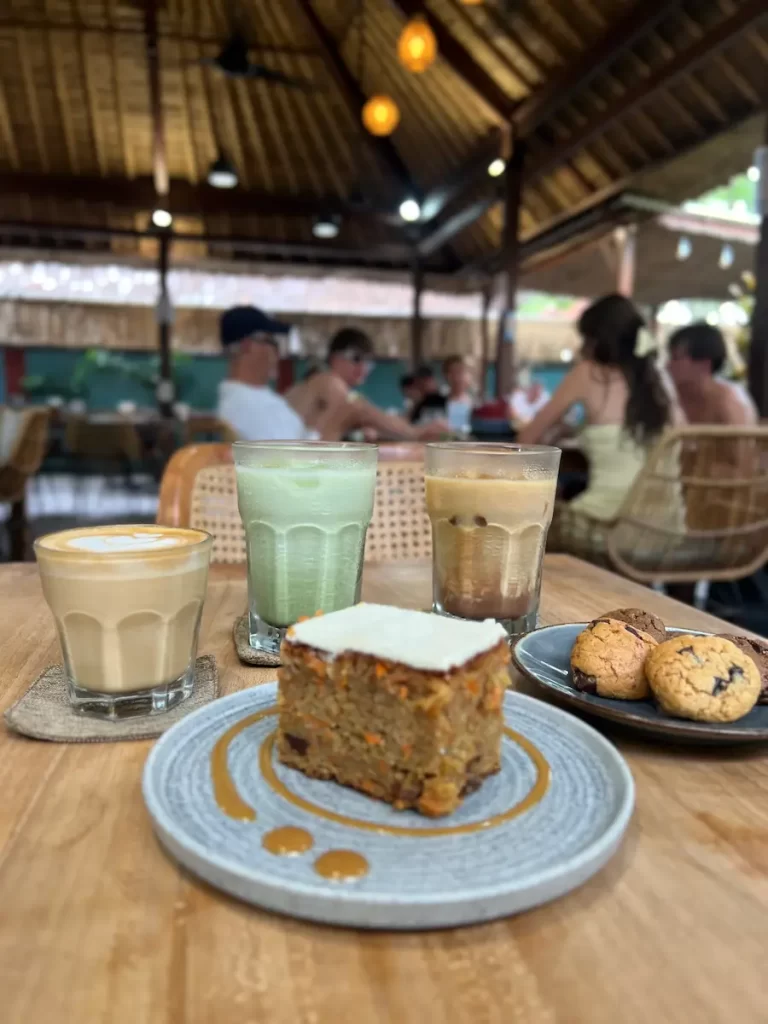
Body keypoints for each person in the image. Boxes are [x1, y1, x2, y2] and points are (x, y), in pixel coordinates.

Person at [518, 294, 684, 521]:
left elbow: (526, 440)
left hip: (606, 525)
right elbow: (684, 437)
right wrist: (578, 430)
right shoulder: (659, 378)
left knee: (543, 518)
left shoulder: (588, 373)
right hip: (665, 530)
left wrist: (543, 487)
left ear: (597, 340)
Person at [286, 328, 447, 441]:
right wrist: (416, 433)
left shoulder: (316, 384)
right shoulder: (327, 381)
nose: (363, 367)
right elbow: (361, 410)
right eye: (356, 358)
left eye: (368, 361)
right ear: (334, 358)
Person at [216, 306, 314, 441]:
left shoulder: (253, 398)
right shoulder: (247, 405)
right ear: (248, 346)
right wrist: (338, 419)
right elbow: (295, 459)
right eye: (272, 342)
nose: (277, 353)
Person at [667, 323, 758, 426]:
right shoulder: (670, 397)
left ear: (704, 364)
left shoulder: (732, 402)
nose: (668, 364)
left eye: (676, 358)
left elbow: (742, 440)